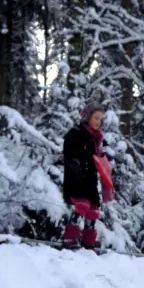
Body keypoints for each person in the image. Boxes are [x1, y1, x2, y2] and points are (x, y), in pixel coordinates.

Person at [62, 102, 111, 250]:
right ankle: (70, 239)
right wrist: (75, 163)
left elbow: (101, 157)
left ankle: (88, 242)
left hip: (90, 179)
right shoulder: (76, 133)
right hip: (77, 177)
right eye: (96, 118)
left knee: (93, 210)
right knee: (81, 207)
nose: (98, 122)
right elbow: (69, 152)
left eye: (100, 119)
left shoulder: (97, 138)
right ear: (88, 117)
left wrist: (105, 160)